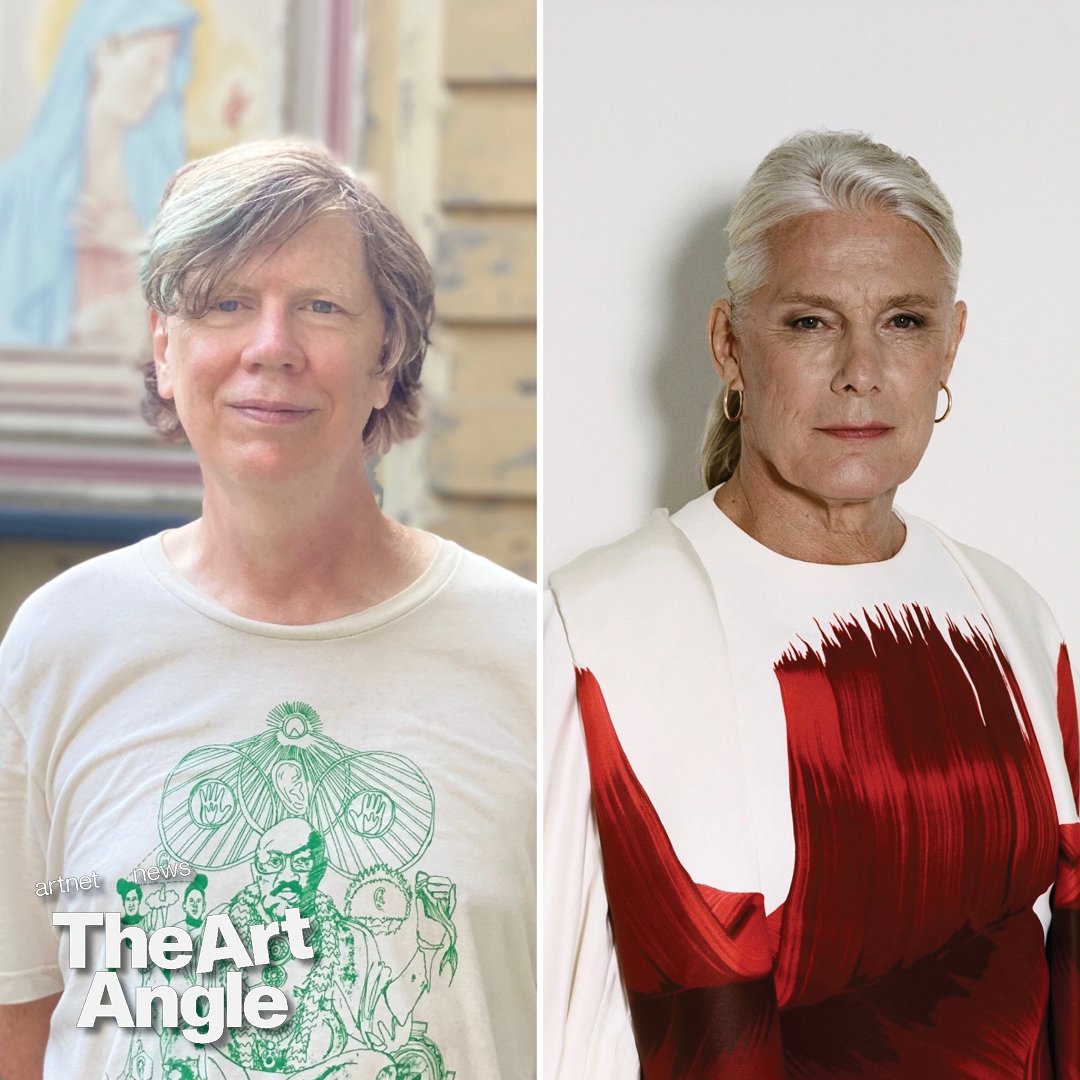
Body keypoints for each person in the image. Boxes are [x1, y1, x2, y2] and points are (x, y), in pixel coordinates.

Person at [545, 130, 1079, 1077]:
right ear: (730, 345)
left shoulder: (1013, 619)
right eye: (811, 322)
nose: (861, 371)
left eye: (904, 322)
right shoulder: (597, 631)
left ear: (952, 342)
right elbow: (554, 1019)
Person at [0, 140, 535, 1080]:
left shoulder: (532, 654)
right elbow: (16, 1022)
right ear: (167, 352)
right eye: (225, 304)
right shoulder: (58, 644)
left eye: (321, 307)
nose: (271, 347)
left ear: (387, 362)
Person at [0, 0, 195, 351]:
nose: (162, 85)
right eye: (151, 64)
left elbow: (203, 303)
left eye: (168, 69)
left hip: (141, 385)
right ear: (104, 51)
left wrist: (139, 244)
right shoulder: (21, 187)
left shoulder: (165, 184)